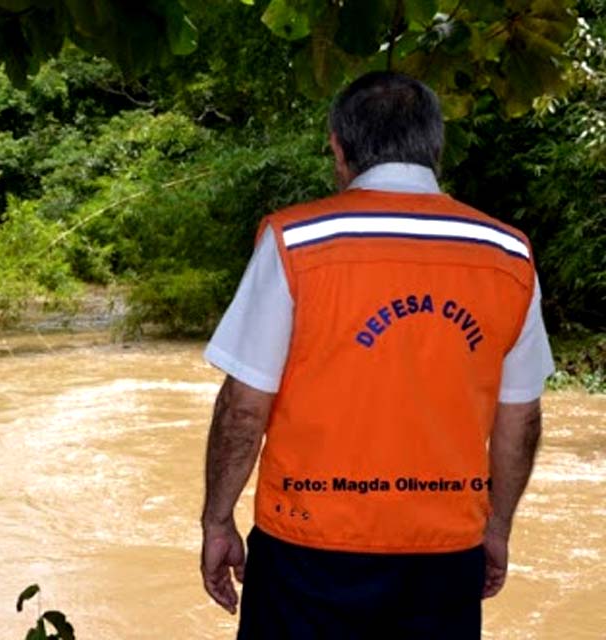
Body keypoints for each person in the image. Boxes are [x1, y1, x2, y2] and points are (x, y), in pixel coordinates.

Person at [199, 71, 554, 639]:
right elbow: (521, 417)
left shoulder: (296, 241)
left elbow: (244, 407)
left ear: (340, 149)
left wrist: (217, 520)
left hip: (308, 550)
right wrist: (498, 527)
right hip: (445, 552)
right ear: (435, 148)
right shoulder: (508, 254)